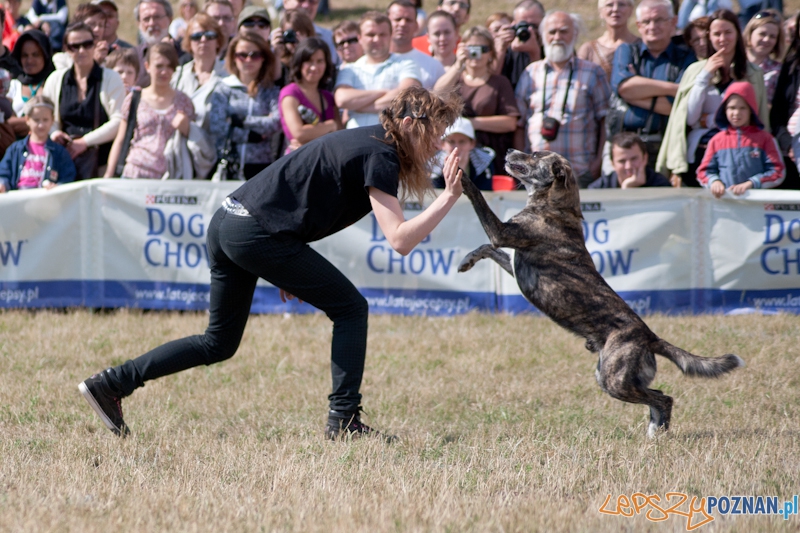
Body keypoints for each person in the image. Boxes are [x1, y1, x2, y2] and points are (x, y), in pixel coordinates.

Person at [77, 86, 465, 441]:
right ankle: (344, 420)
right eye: (436, 133)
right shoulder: (380, 153)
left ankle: (111, 383)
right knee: (351, 308)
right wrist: (448, 197)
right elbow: (400, 239)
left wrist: (282, 255)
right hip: (254, 232)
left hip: (231, 222)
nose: (439, 145)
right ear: (410, 125)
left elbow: (303, 188)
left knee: (218, 343)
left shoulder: (369, 143)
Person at [657, 9, 769, 187]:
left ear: (737, 34)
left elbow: (757, 117)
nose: (722, 39)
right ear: (709, 36)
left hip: (741, 155)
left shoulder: (753, 73)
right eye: (717, 34)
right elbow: (689, 118)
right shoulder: (695, 71)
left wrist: (709, 119)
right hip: (700, 154)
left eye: (728, 32)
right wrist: (704, 76)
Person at [515, 11, 611, 188]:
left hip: (579, 172)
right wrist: (524, 164)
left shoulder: (592, 72)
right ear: (542, 36)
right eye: (552, 32)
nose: (557, 37)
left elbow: (606, 120)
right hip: (537, 175)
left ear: (575, 35)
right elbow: (519, 124)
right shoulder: (530, 73)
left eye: (564, 31)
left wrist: (597, 163)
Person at [609, 0, 696, 172]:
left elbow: (680, 105)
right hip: (625, 149)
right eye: (647, 22)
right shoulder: (626, 51)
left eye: (658, 20)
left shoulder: (686, 56)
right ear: (638, 25)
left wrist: (636, 94)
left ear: (673, 22)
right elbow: (624, 87)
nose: (652, 26)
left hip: (667, 147)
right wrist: (673, 88)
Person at [42, 21, 125, 180]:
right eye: (75, 46)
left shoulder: (110, 78)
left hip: (101, 165)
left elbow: (119, 120)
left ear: (94, 45)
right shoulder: (56, 79)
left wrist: (85, 142)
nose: (82, 50)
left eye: (87, 44)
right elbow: (45, 115)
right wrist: (54, 132)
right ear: (67, 49)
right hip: (64, 163)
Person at [434, 26, 518, 174]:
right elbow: (437, 94)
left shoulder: (499, 82)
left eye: (483, 49)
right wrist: (458, 65)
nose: (476, 53)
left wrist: (473, 124)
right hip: (455, 152)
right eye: (471, 47)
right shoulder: (454, 77)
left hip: (491, 154)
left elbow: (511, 123)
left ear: (491, 53)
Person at [105, 42, 194, 179]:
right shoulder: (134, 99)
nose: (164, 72)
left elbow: (194, 142)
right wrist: (109, 175)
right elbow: (121, 140)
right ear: (147, 66)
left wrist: (187, 128)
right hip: (135, 172)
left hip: (171, 177)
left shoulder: (184, 102)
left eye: (169, 66)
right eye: (159, 66)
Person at [208, 33, 282, 180]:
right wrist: (249, 136)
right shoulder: (223, 88)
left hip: (262, 166)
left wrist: (241, 120)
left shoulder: (271, 91)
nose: (248, 60)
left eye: (255, 55)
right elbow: (217, 125)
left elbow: (276, 122)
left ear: (264, 58)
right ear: (234, 58)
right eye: (242, 55)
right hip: (229, 165)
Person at [334, 12, 421, 129]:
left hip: (392, 139)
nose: (377, 39)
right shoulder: (350, 69)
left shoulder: (407, 63)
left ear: (391, 35)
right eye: (371, 34)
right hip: (356, 140)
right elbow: (342, 99)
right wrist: (384, 93)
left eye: (382, 34)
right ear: (360, 38)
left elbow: (408, 95)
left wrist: (357, 105)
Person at [697, 81, 784, 196]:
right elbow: (704, 172)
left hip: (756, 207)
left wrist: (752, 183)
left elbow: (777, 171)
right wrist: (714, 182)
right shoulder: (716, 140)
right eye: (731, 108)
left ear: (751, 110)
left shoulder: (765, 139)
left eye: (742, 108)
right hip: (725, 207)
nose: (736, 113)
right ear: (724, 110)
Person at [0, 95, 75, 192]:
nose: (41, 125)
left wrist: (57, 187)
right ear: (27, 120)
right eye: (36, 120)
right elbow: (4, 172)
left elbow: (68, 178)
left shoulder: (59, 152)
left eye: (45, 120)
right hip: (19, 201)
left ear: (52, 120)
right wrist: (2, 184)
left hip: (46, 202)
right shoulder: (15, 149)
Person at [279, 37, 340, 153]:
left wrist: (312, 131)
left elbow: (340, 132)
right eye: (309, 61)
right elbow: (299, 133)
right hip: (299, 159)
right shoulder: (290, 93)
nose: (314, 67)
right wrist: (330, 125)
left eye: (320, 61)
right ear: (299, 63)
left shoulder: (328, 97)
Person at [172, 14, 227, 129]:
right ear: (189, 42)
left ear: (218, 41)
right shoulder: (177, 75)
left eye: (209, 35)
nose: (203, 40)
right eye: (196, 36)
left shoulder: (228, 77)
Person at [6, 29, 54, 137]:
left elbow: (56, 122)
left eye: (35, 54)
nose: (30, 60)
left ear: (45, 55)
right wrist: (41, 121)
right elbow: (6, 123)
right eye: (25, 55)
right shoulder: (13, 85)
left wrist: (20, 122)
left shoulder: (54, 82)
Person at [388, 0, 444, 90]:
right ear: (386, 24)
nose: (403, 24)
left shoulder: (434, 66)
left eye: (408, 20)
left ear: (416, 26)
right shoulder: (367, 64)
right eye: (397, 19)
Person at [577, 0, 638, 82]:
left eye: (621, 4)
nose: (615, 9)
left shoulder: (641, 46)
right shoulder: (588, 49)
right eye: (609, 5)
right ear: (601, 11)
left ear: (631, 10)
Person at [588, 132, 671, 188]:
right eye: (622, 161)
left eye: (634, 159)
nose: (629, 166)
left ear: (645, 158)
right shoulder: (599, 189)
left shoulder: (661, 186)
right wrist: (626, 189)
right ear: (612, 163)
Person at [431, 116, 494, 190]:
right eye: (451, 142)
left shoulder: (485, 163)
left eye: (462, 142)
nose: (456, 148)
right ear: (443, 144)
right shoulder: (432, 167)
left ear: (472, 144)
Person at [493, 0, 544, 92]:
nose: (529, 30)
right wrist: (500, 49)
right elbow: (490, 83)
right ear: (513, 25)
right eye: (523, 25)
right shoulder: (507, 50)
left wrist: (535, 52)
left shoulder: (553, 49)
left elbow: (543, 87)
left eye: (534, 26)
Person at [282, 0, 339, 66]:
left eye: (312, 1)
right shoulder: (273, 40)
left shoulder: (329, 38)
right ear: (285, 2)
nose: (306, 5)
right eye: (301, 0)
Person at [744, 9, 783, 103]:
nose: (766, 40)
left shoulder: (779, 71)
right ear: (750, 34)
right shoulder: (734, 63)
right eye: (762, 34)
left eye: (772, 36)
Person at [271, 9, 315, 88]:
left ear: (308, 34)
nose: (295, 39)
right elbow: (276, 83)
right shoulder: (280, 63)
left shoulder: (317, 60)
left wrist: (304, 49)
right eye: (290, 34)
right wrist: (276, 55)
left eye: (300, 33)